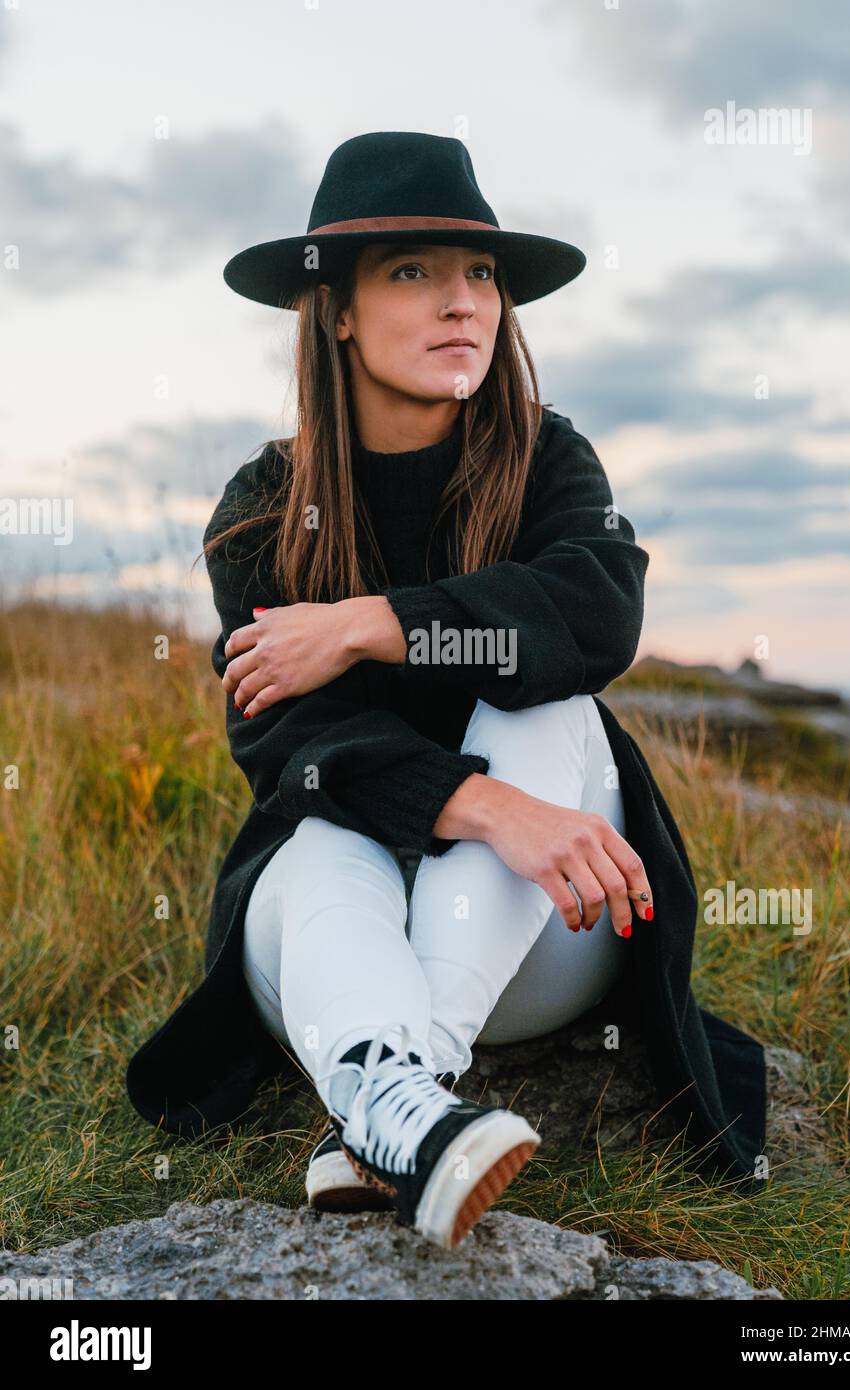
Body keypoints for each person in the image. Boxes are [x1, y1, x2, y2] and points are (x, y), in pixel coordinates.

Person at [199, 132, 653, 1250]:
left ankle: (393, 1095)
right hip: (322, 949)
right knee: (314, 821)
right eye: (413, 270)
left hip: (532, 935)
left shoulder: (546, 460)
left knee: (544, 700)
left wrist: (370, 625)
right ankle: (402, 1102)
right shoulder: (262, 508)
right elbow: (290, 743)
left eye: (480, 273)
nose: (462, 302)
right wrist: (487, 806)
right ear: (337, 311)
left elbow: (594, 611)